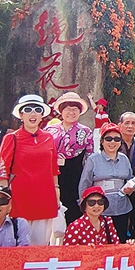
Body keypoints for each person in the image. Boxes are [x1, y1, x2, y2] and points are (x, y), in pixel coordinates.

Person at [0, 95, 59, 244]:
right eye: (28, 110)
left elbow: (53, 168)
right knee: (19, 245)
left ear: (42, 115)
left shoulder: (49, 138)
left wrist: (57, 191)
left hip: (45, 198)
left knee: (41, 245)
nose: (33, 114)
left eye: (38, 110)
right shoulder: (11, 138)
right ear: (21, 115)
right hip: (19, 199)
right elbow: (2, 170)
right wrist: (4, 198)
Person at [78, 122, 135, 242]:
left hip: (122, 207)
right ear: (102, 141)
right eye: (108, 139)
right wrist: (84, 205)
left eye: (116, 139)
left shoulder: (124, 159)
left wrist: (131, 187)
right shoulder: (93, 159)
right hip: (100, 209)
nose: (112, 142)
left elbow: (130, 178)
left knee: (120, 241)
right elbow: (84, 183)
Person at [45, 91, 94, 225]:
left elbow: (89, 157)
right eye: (68, 109)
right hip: (52, 173)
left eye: (75, 109)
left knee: (73, 208)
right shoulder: (49, 130)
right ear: (61, 111)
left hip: (75, 173)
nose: (71, 112)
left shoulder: (86, 131)